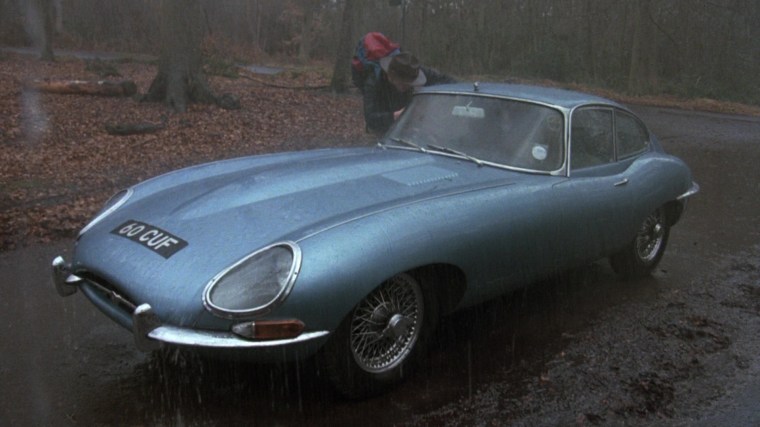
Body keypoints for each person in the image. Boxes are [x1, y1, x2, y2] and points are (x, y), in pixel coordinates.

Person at [361, 52, 455, 134]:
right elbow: (370, 119)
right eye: (403, 83)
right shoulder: (374, 82)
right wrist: (395, 116)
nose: (408, 86)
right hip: (383, 131)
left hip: (412, 129)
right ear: (391, 77)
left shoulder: (412, 70)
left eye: (411, 83)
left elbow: (447, 81)